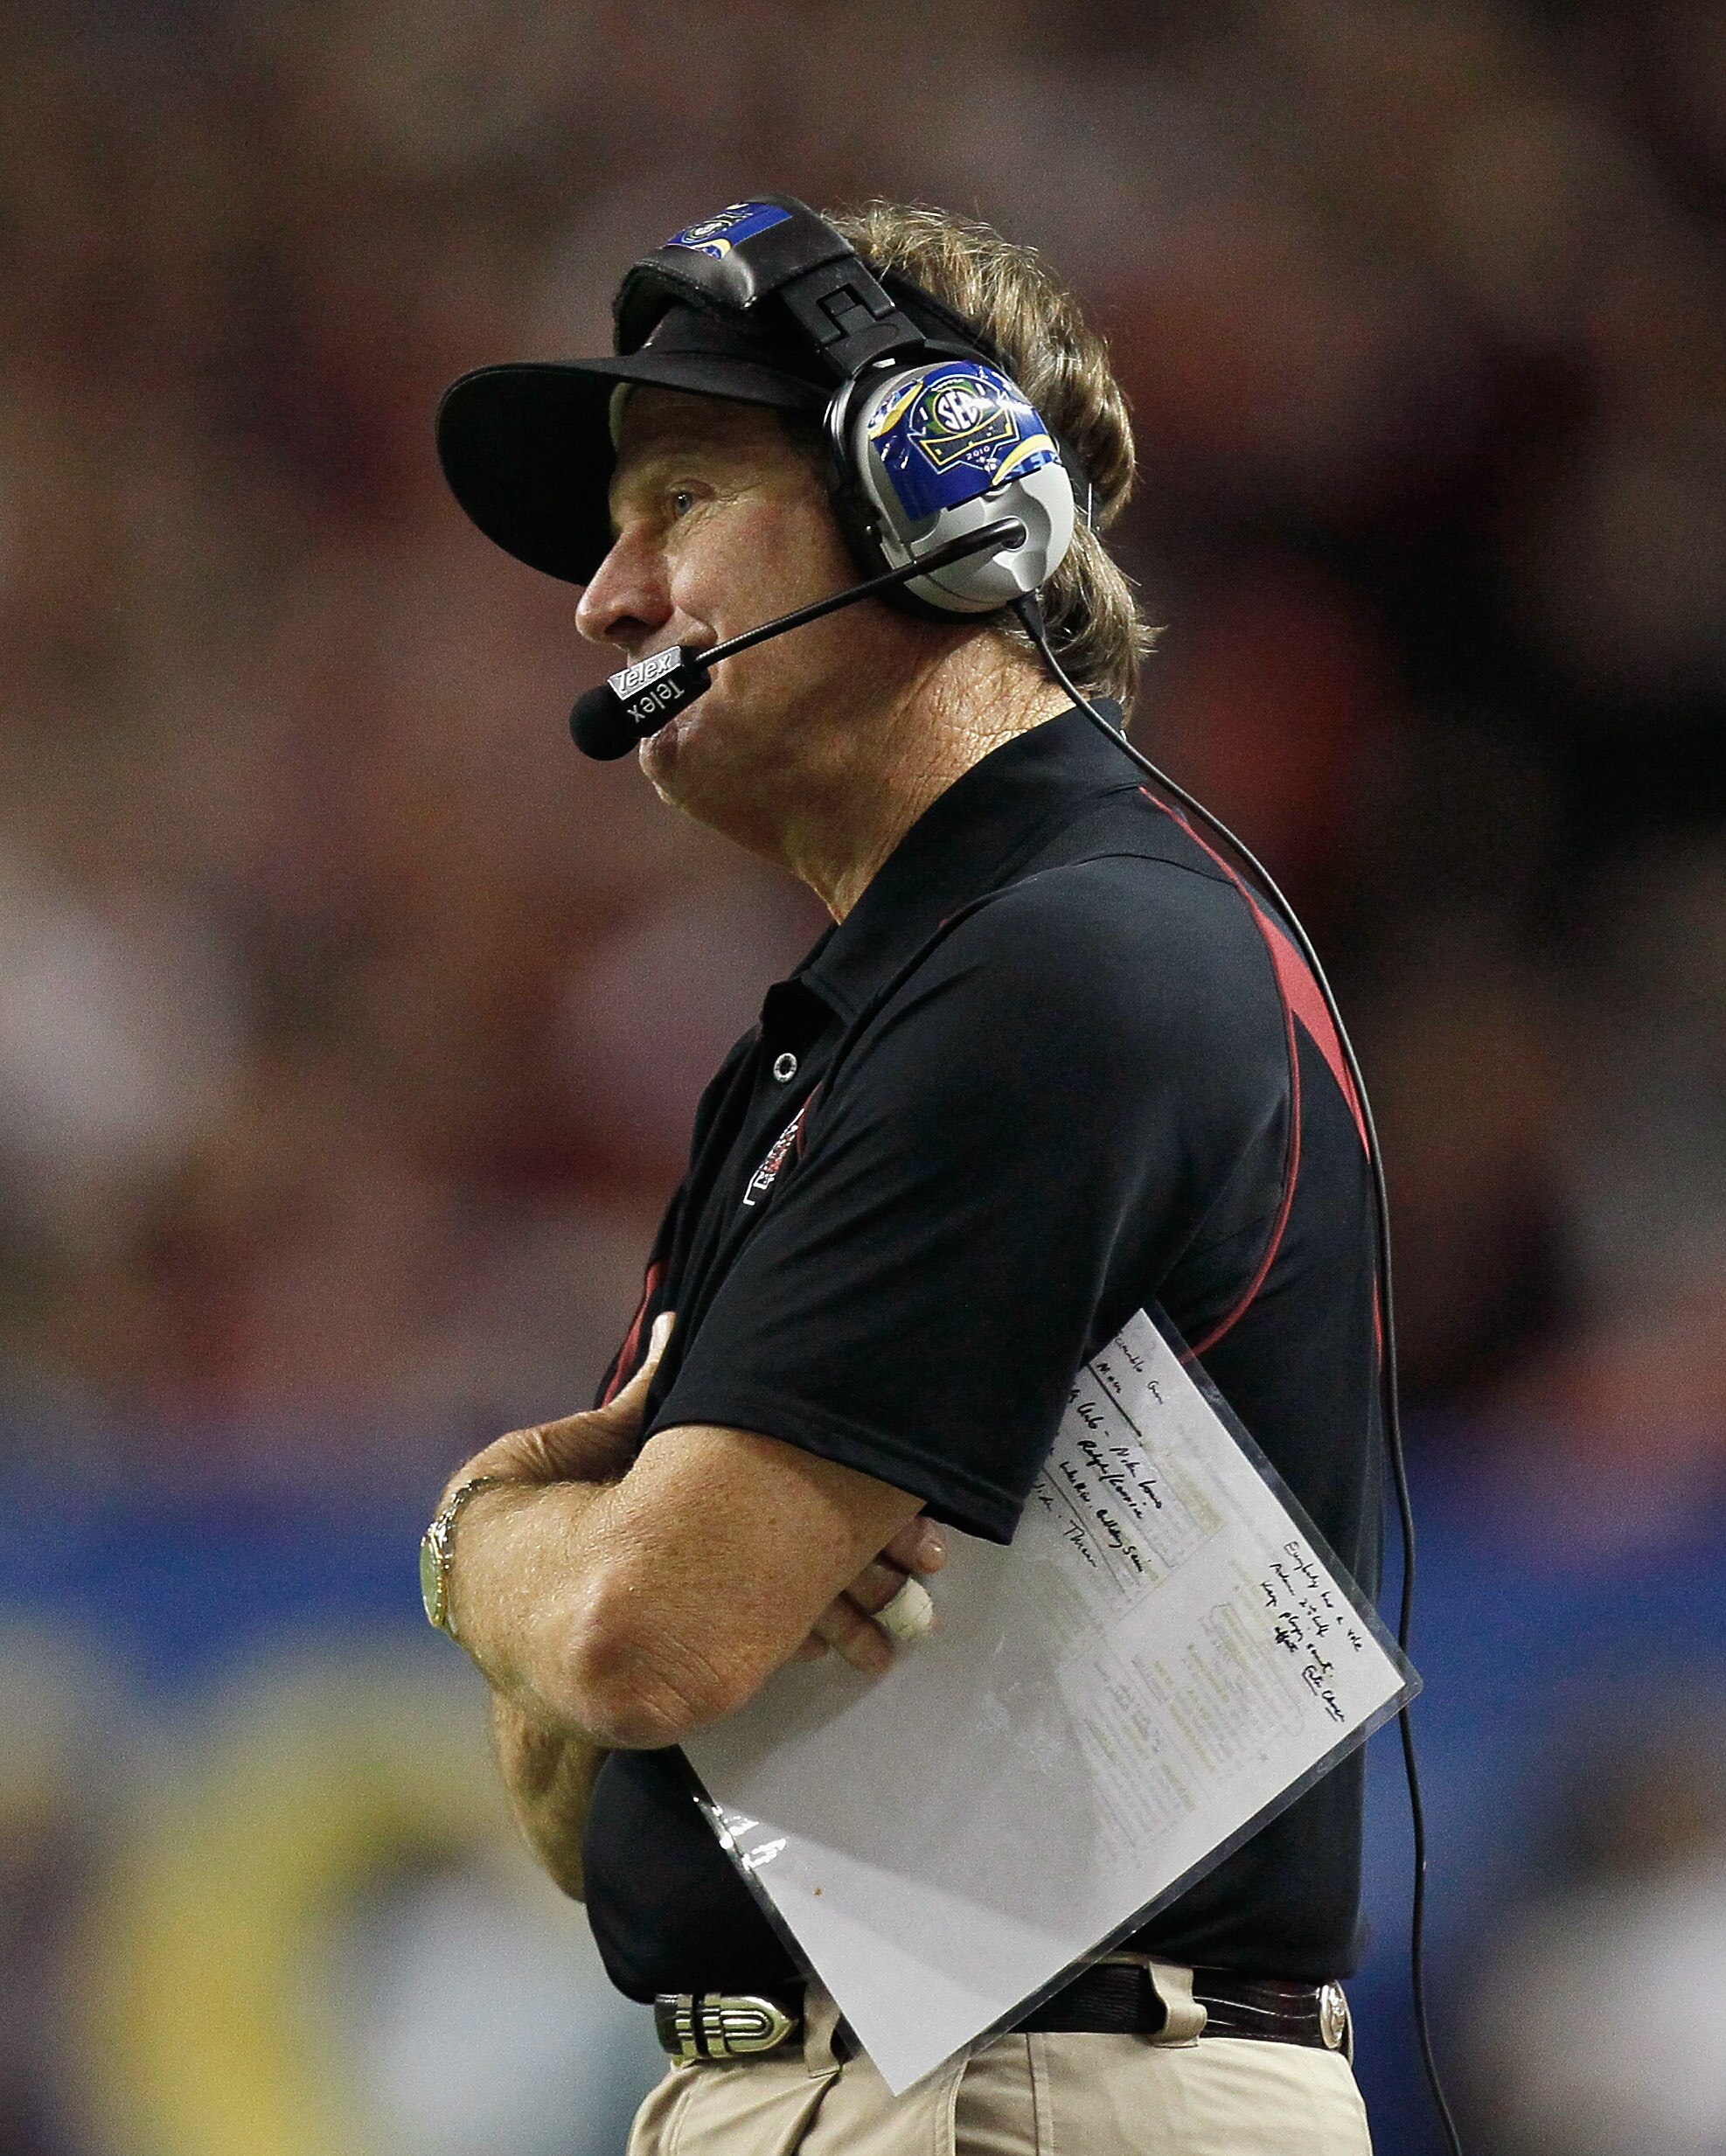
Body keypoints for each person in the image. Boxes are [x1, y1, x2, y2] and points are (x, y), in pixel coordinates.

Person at [424, 198, 1382, 2155]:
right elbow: (575, 1795)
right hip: (908, 2081)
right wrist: (594, 1595)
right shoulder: (899, 999)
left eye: (679, 499)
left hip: (1006, 2095)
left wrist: (469, 1543)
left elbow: (638, 1640)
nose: (609, 601)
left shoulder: (1065, 968)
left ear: (938, 498)